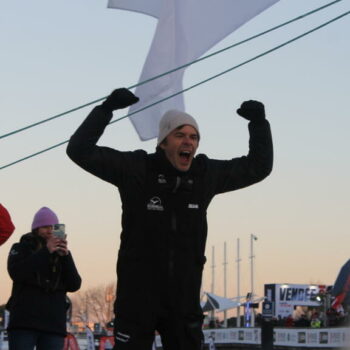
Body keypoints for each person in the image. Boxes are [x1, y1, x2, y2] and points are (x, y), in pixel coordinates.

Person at [66, 88, 273, 350]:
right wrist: (106, 110)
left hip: (183, 298)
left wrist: (258, 124)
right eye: (180, 135)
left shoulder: (204, 175)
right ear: (163, 142)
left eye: (194, 137)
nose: (189, 141)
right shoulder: (137, 169)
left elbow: (258, 168)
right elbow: (79, 151)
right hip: (138, 295)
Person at [6, 207, 81, 350]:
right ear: (36, 229)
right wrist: (46, 251)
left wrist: (66, 257)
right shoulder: (21, 248)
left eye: (54, 227)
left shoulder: (61, 255)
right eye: (45, 227)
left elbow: (74, 284)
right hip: (24, 322)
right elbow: (17, 273)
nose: (50, 231)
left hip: (53, 325)